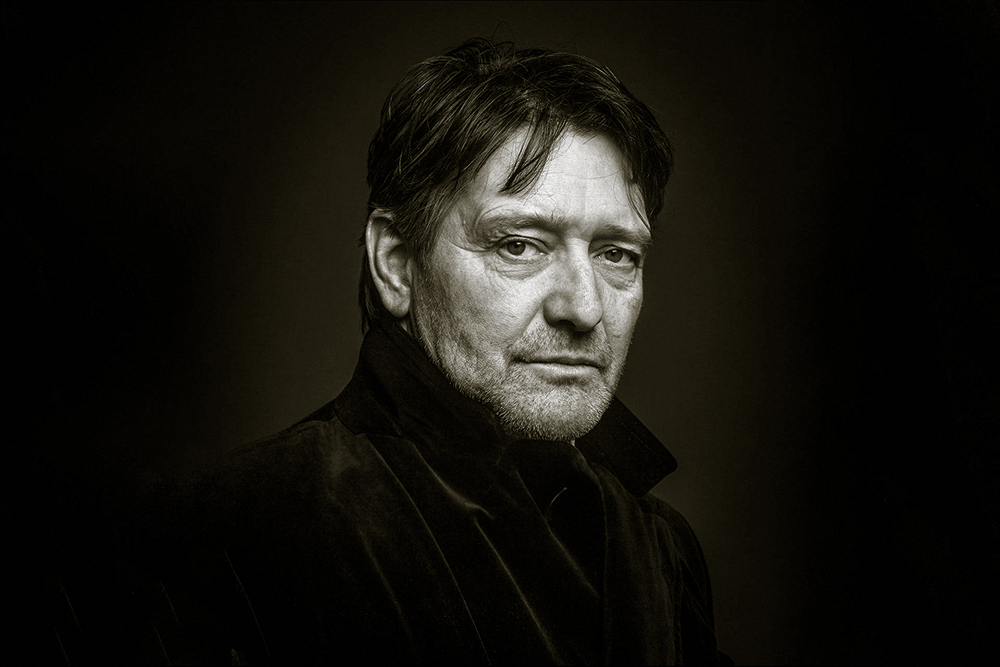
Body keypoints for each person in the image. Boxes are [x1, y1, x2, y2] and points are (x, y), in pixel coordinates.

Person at [44, 38, 730, 664]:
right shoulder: (229, 533)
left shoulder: (659, 552)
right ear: (396, 264)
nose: (583, 308)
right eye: (519, 245)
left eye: (617, 254)